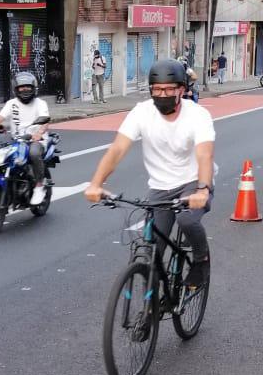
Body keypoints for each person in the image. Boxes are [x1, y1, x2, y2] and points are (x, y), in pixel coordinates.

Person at [84, 58, 214, 288]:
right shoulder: (141, 112)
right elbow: (117, 149)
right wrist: (96, 183)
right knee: (150, 248)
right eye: (157, 89)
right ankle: (149, 312)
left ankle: (200, 260)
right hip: (160, 187)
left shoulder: (198, 115)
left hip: (193, 182)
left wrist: (202, 189)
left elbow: (204, 155)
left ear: (181, 90)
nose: (162, 94)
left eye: (168, 89)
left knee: (186, 220)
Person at [0, 71, 51, 207]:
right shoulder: (11, 103)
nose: (25, 90)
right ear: (16, 89)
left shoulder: (40, 103)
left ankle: (39, 185)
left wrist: (39, 133)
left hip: (36, 140)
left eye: (28, 87)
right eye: (21, 87)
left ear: (33, 88)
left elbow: (45, 121)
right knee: (0, 155)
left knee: (34, 153)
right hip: (16, 140)